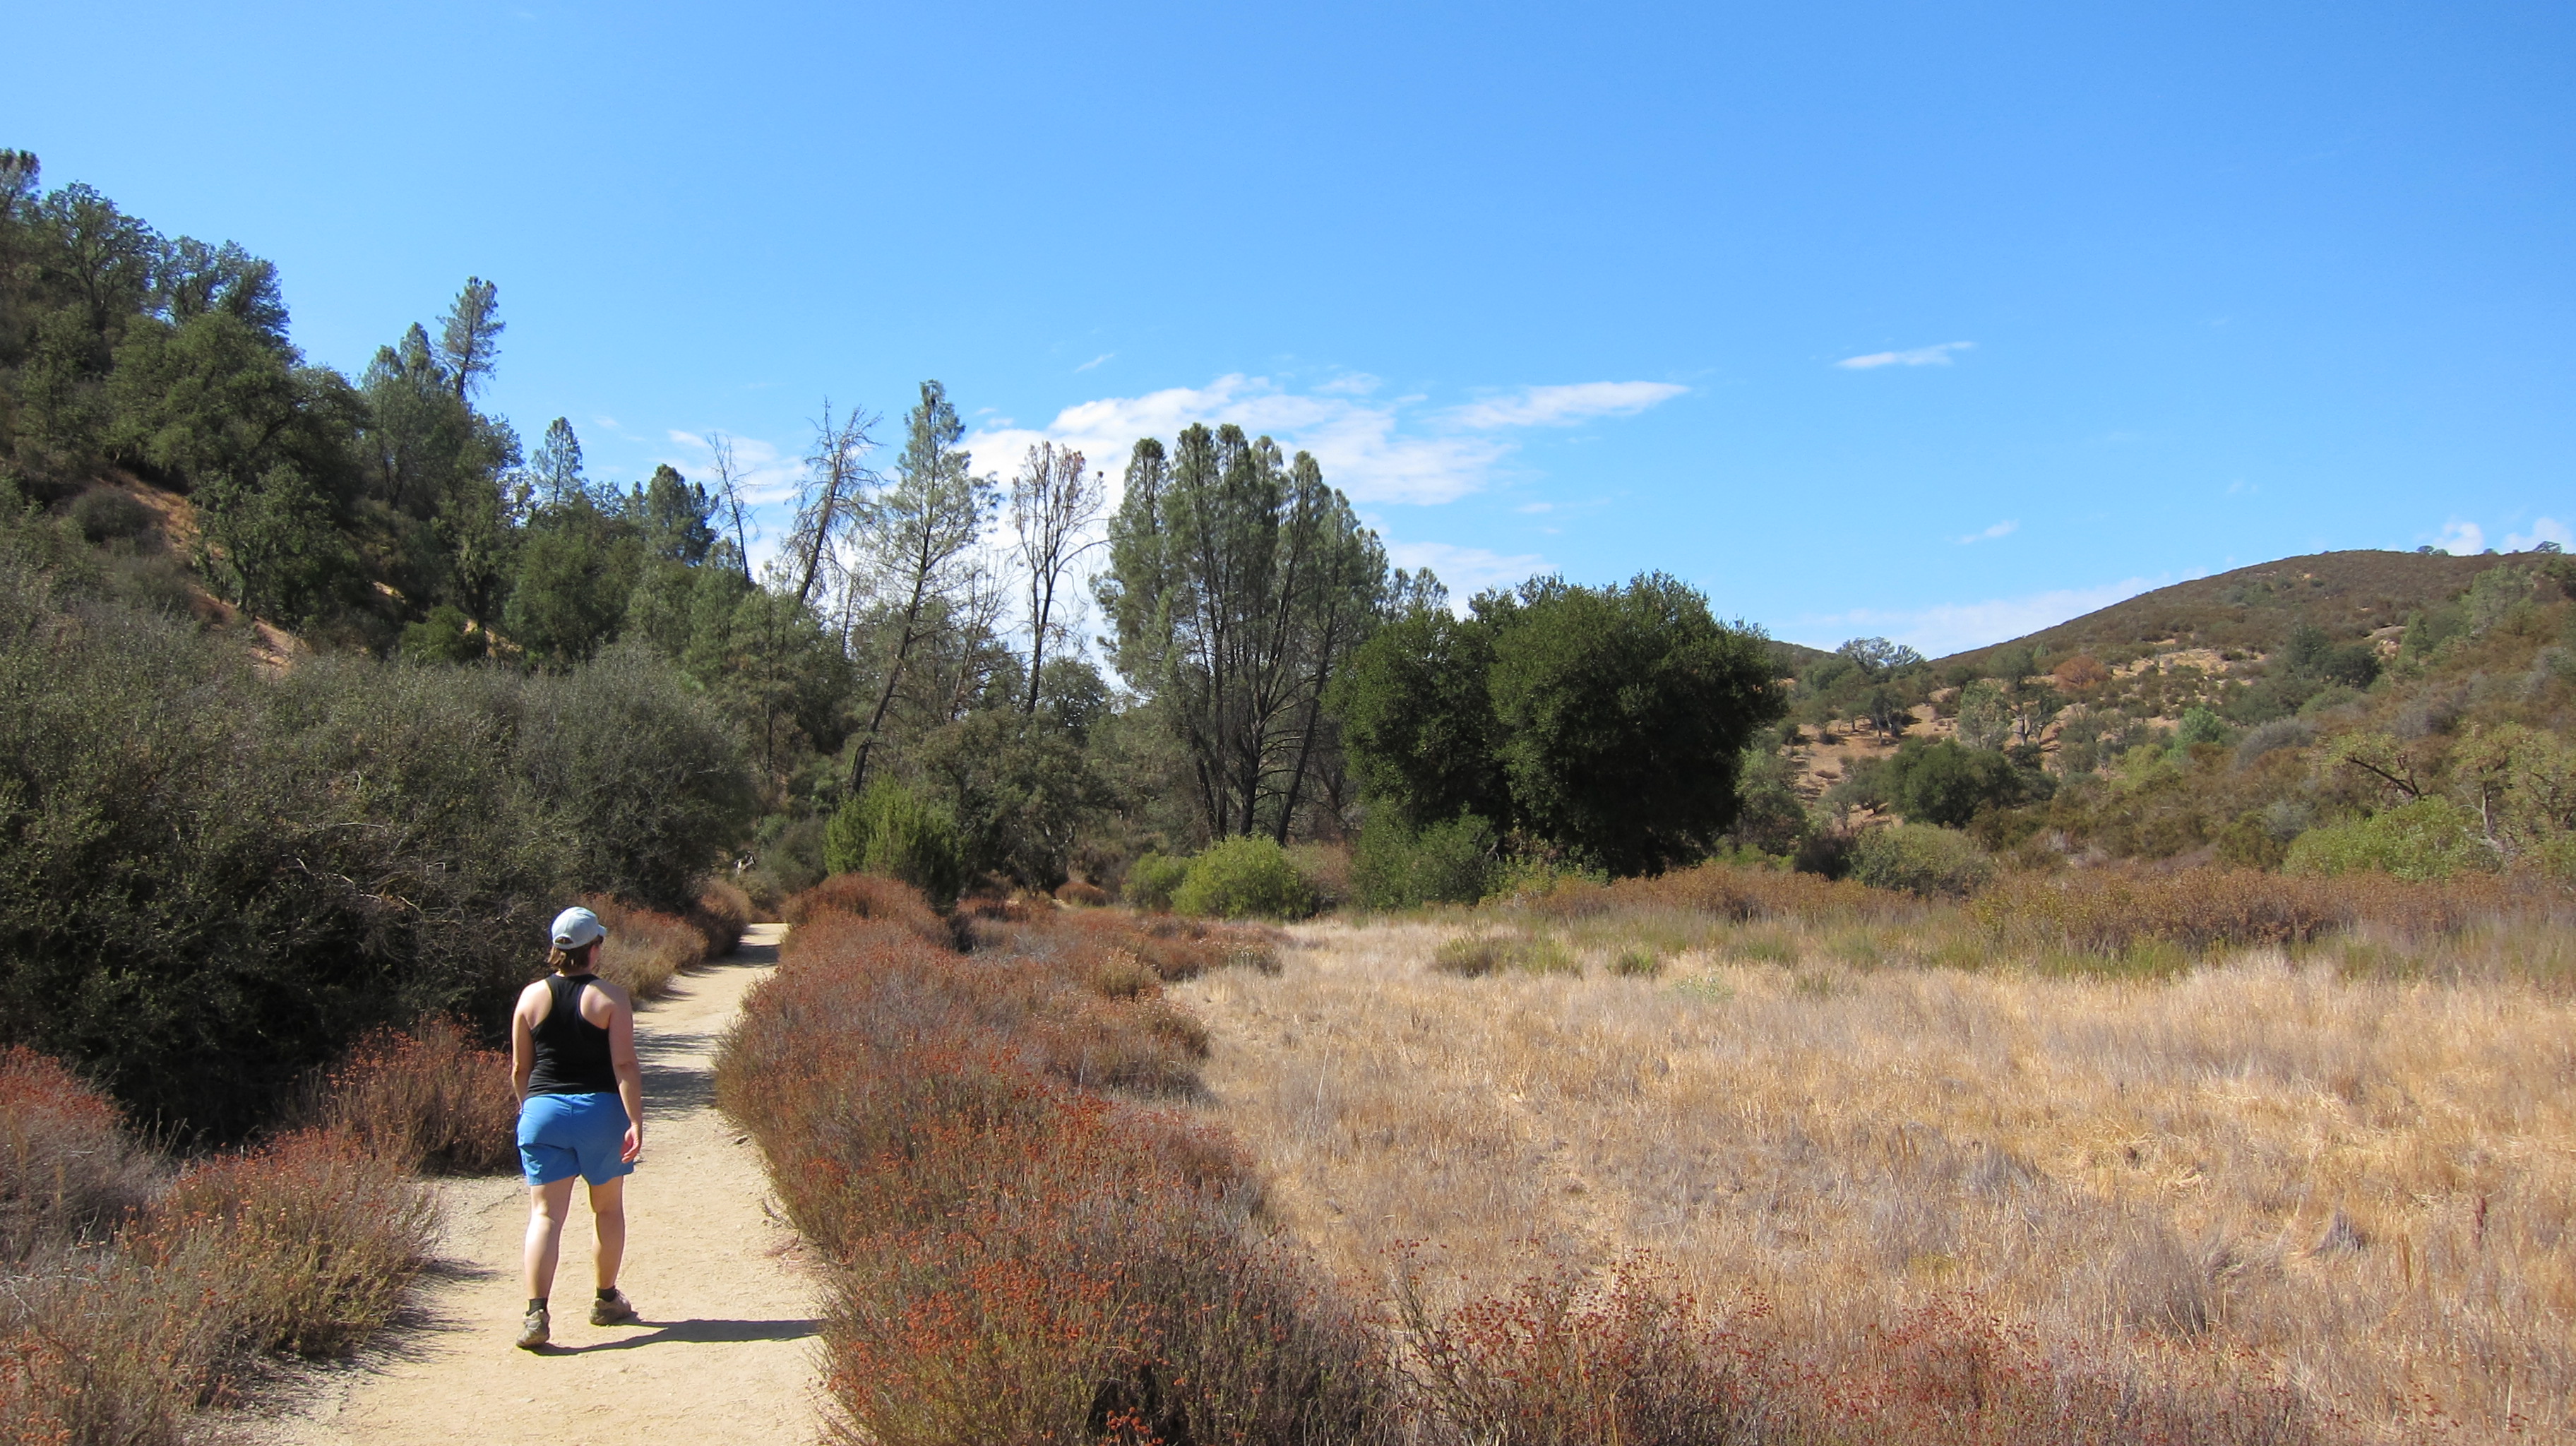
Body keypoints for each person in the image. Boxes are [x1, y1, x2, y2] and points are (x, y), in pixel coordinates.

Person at [510, 905, 646, 1351]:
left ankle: (536, 1313)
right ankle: (606, 1300)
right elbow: (624, 1065)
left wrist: (529, 1109)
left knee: (545, 1215)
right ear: (595, 948)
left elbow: (520, 1069)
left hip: (542, 1111)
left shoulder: (531, 997)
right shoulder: (610, 998)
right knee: (606, 1209)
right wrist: (635, 1120)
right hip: (599, 1113)